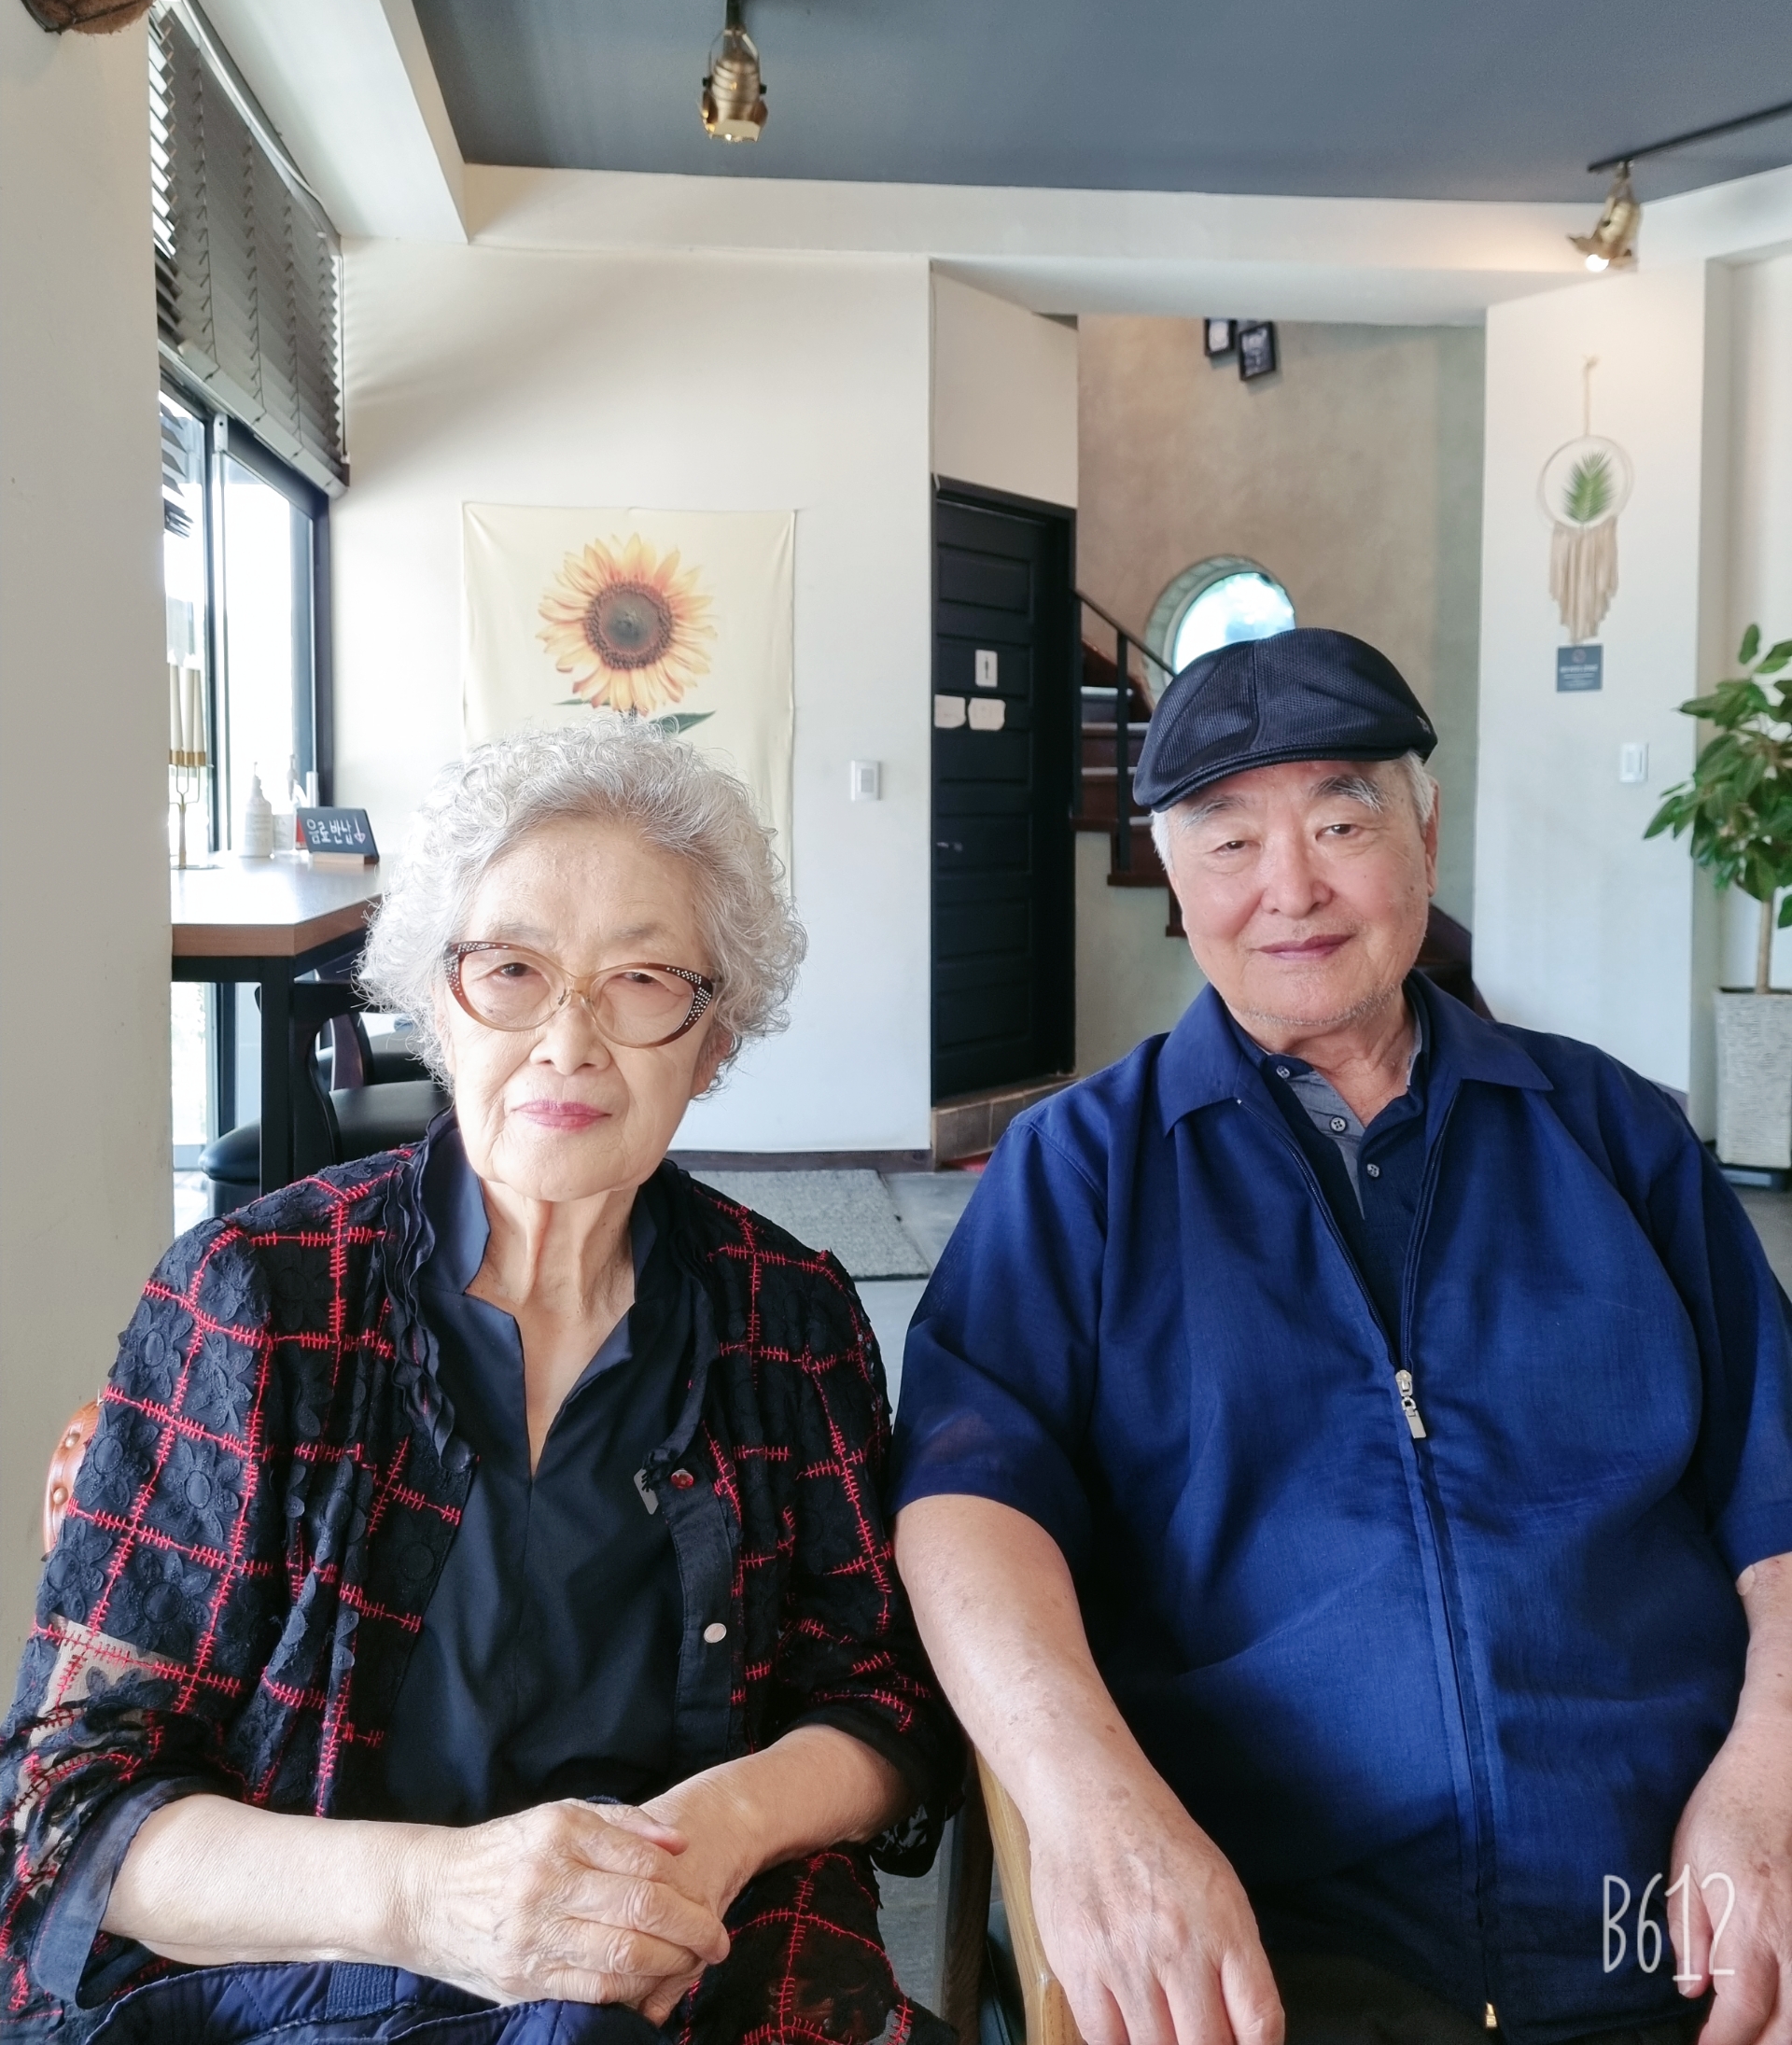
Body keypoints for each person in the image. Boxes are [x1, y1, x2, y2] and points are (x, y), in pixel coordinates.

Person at [890, 627, 1792, 2045]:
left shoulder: (1615, 1132)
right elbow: (967, 1498)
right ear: (1176, 882)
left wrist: (1772, 1779)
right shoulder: (1081, 1169)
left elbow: (1778, 1494)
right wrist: (1092, 1809)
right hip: (1275, 1923)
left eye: (1341, 823)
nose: (1291, 888)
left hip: (1664, 1893)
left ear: (1424, 839)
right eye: (1228, 840)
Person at [2, 720, 959, 2045]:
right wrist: (432, 1900)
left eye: (640, 980)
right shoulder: (258, 1299)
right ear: (438, 1005)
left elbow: (881, 1693)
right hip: (308, 1979)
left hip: (684, 1964)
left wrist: (716, 1831)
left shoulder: (787, 1318)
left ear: (714, 1038)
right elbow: (70, 1807)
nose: (569, 1040)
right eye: (511, 970)